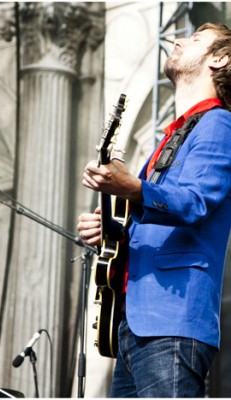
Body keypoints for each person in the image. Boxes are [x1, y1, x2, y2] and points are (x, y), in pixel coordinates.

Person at [77, 22, 231, 397]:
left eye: (195, 39)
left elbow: (195, 202)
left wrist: (132, 188)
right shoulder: (171, 138)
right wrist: (111, 230)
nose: (178, 40)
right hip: (133, 322)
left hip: (174, 320)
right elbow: (146, 215)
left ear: (219, 59)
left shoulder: (219, 124)